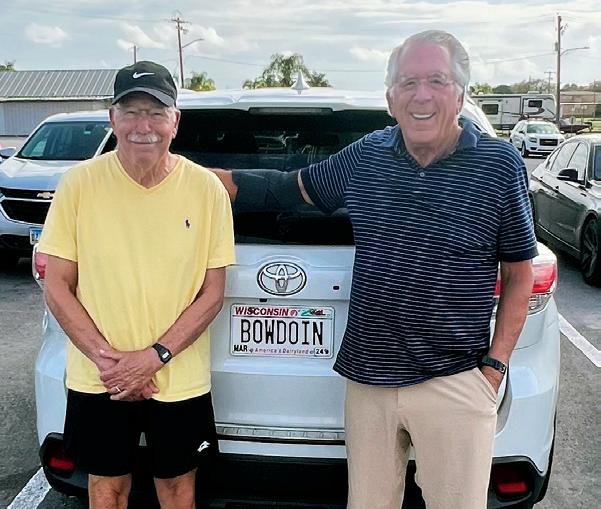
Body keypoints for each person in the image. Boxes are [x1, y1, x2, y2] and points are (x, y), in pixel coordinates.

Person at [213, 30, 537, 509]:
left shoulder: (497, 165)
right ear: (390, 99)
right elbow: (286, 188)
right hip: (368, 384)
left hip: (455, 380)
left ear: (460, 95)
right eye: (408, 83)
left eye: (436, 81)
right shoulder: (368, 156)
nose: (421, 95)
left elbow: (519, 274)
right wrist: (187, 177)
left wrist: (494, 368)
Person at [38, 60, 235, 509]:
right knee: (106, 489)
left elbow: (212, 294)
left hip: (177, 376)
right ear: (112, 118)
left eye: (156, 112)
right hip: (100, 377)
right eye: (130, 112)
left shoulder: (206, 190)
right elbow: (58, 286)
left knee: (178, 490)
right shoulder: (78, 185)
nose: (143, 126)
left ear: (175, 121)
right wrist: (112, 364)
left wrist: (152, 358)